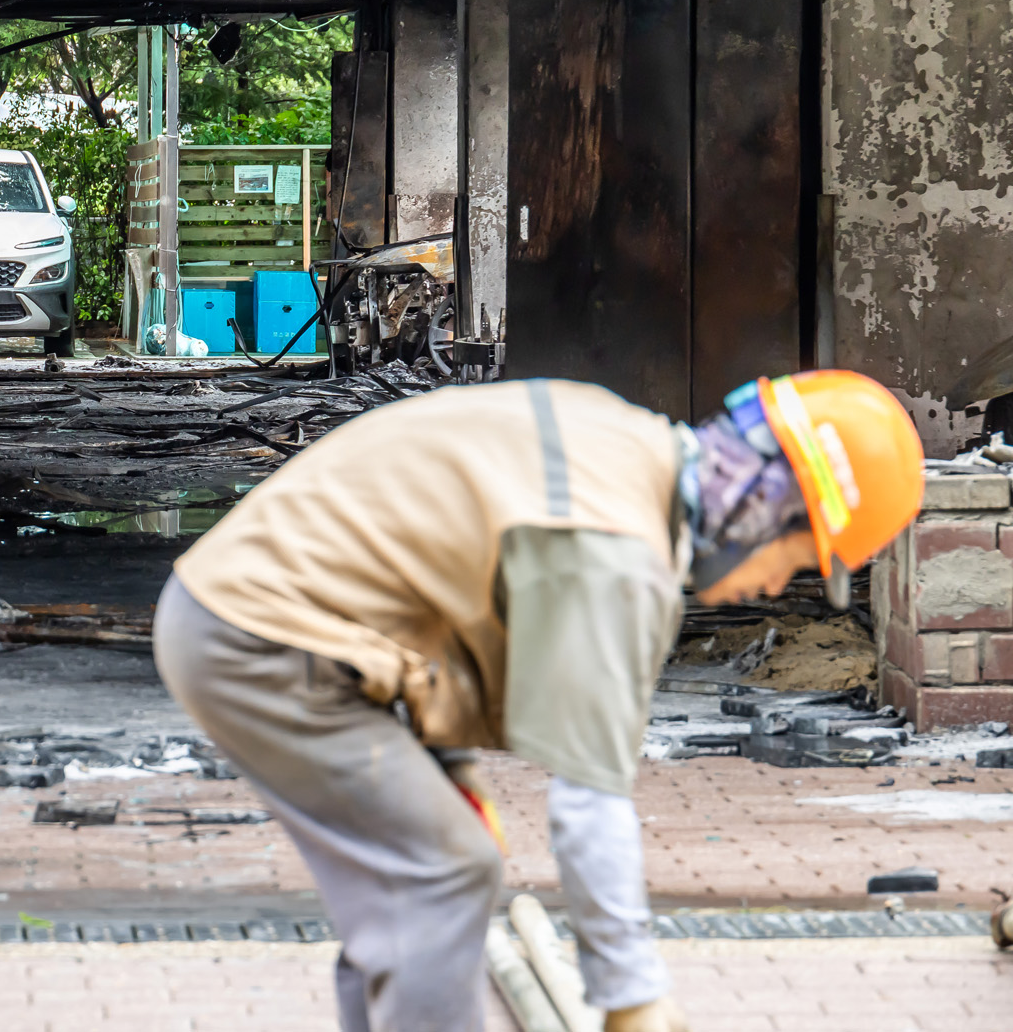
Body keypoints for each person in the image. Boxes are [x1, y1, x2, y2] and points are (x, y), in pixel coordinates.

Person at [154, 372, 923, 1032]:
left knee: (421, 880)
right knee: (442, 874)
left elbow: (444, 574)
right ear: (768, 505)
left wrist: (448, 766)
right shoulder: (619, 555)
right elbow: (590, 807)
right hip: (259, 638)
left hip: (259, 619)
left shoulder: (619, 439)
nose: (770, 586)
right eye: (798, 558)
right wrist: (634, 1001)